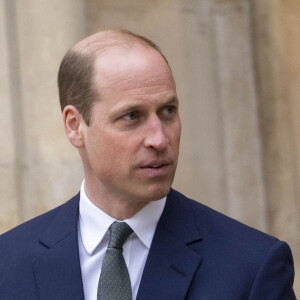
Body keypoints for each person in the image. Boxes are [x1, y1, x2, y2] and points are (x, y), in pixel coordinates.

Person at [0, 29, 296, 299]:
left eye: (168, 111)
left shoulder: (251, 267)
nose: (159, 138)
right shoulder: (8, 264)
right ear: (75, 126)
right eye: (132, 116)